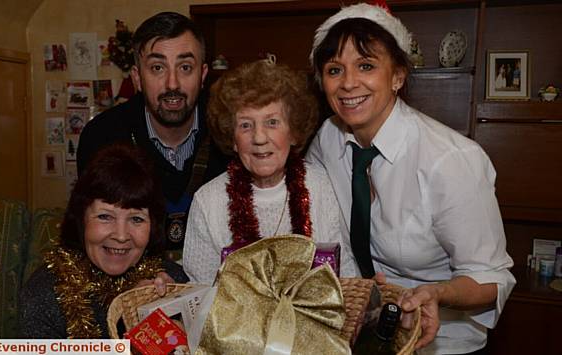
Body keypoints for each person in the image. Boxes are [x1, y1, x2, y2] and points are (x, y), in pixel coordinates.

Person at [307, 3, 515, 354]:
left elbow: (492, 279)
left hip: (441, 339)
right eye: (334, 69)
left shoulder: (451, 160)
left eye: (366, 66)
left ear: (398, 76)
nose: (348, 83)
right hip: (361, 330)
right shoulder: (327, 137)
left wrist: (437, 293)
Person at [77, 12, 229, 258]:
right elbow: (93, 231)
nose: (172, 84)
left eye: (185, 67)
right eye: (157, 68)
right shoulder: (101, 137)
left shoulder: (230, 132)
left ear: (202, 76)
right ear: (137, 78)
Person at [182, 60, 348, 285]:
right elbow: (200, 294)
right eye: (245, 125)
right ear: (232, 138)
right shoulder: (207, 201)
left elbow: (345, 274)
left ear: (294, 132)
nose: (259, 138)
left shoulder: (321, 186)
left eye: (272, 122)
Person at [20, 143, 188, 338]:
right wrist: (129, 325)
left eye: (136, 219)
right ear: (81, 218)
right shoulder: (45, 294)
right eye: (105, 217)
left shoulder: (173, 284)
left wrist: (166, 315)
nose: (121, 235)